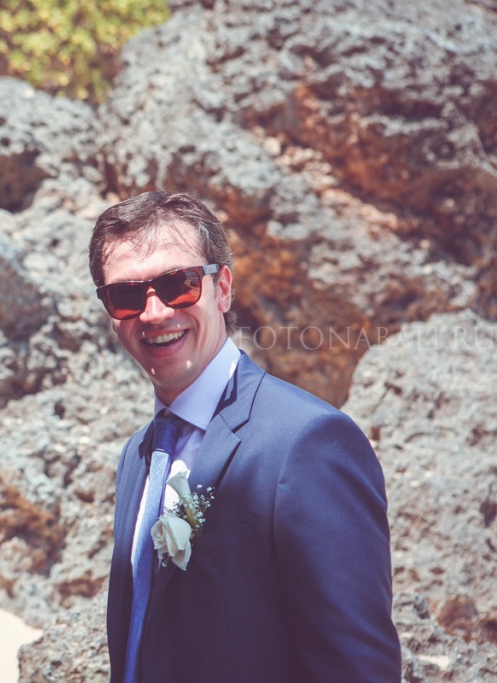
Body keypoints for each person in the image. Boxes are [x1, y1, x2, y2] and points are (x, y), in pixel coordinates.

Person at [91, 191, 402, 682]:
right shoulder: (138, 455)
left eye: (177, 284)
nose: (153, 313)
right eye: (126, 296)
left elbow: (357, 667)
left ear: (223, 289)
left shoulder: (306, 442)